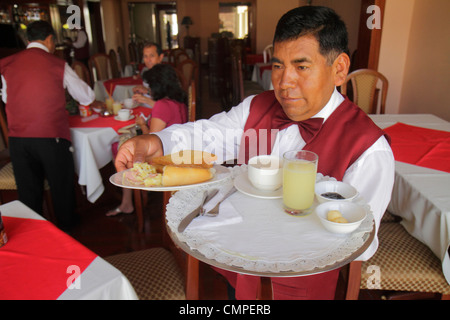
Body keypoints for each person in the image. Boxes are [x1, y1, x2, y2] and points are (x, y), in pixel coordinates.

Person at [114, 6, 395, 299]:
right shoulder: (257, 108)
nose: (284, 83)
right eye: (277, 66)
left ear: (338, 69)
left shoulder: (369, 150)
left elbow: (359, 241)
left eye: (301, 67)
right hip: (237, 267)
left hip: (301, 287)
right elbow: (210, 134)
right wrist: (155, 143)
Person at [0, 20, 103, 232]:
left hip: (18, 140)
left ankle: (35, 235)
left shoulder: (8, 63)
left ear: (27, 40)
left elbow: (6, 97)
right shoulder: (57, 64)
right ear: (49, 40)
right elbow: (86, 96)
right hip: (51, 137)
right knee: (61, 186)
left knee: (28, 193)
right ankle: (67, 230)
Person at [107, 63, 187, 216]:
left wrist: (143, 124)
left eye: (150, 86)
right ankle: (128, 199)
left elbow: (152, 138)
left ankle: (127, 202)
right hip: (179, 152)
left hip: (164, 158)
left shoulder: (162, 106)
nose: (149, 89)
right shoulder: (179, 101)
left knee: (120, 149)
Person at [132, 42, 165, 108]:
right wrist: (141, 92)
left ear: (160, 57)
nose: (148, 60)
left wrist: (147, 91)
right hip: (147, 111)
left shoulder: (166, 74)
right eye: (145, 56)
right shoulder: (147, 72)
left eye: (152, 56)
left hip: (161, 114)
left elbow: (165, 103)